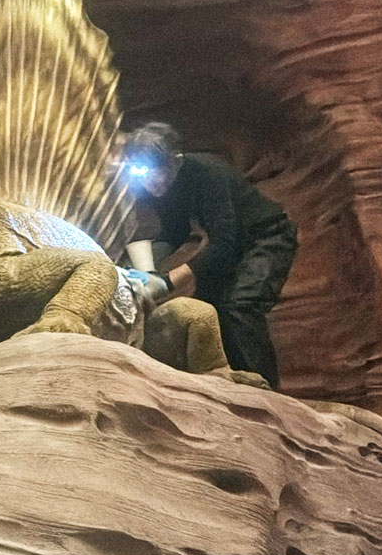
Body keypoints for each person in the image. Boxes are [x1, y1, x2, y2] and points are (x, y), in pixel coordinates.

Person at [123, 122, 298, 388]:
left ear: (172, 162)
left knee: (241, 305)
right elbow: (173, 234)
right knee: (208, 309)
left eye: (150, 171)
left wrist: (167, 282)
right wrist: (145, 273)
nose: (146, 181)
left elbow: (221, 245)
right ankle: (233, 384)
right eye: (138, 173)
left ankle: (269, 393)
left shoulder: (206, 173)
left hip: (268, 237)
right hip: (235, 246)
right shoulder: (162, 188)